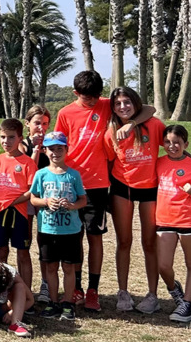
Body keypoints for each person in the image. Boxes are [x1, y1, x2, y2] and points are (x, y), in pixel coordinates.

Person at [54, 70, 154, 311]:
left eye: (97, 95)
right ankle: (76, 287)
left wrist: (130, 124)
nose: (93, 100)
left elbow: (149, 109)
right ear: (76, 93)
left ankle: (93, 290)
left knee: (95, 237)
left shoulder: (106, 105)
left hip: (98, 185)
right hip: (71, 184)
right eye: (88, 97)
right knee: (73, 238)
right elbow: (58, 144)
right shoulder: (65, 113)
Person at [104, 87, 165, 313]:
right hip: (123, 188)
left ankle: (152, 295)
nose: (122, 107)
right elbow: (110, 162)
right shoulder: (110, 131)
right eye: (118, 103)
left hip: (150, 188)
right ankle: (123, 292)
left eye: (127, 102)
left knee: (149, 243)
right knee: (124, 241)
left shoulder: (154, 125)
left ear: (135, 103)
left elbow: (171, 145)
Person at [29, 132, 88, 321]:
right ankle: (53, 302)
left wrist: (72, 206)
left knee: (69, 268)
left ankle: (68, 303)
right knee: (51, 267)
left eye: (59, 148)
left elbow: (83, 200)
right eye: (51, 149)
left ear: (66, 150)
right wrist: (46, 202)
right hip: (48, 229)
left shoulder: (73, 175)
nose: (56, 152)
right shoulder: (41, 174)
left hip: (70, 230)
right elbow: (33, 198)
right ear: (45, 151)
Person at [154, 125, 191, 322]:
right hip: (164, 220)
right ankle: (174, 290)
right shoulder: (158, 163)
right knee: (163, 265)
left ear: (186, 144)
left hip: (188, 221)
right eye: (167, 142)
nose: (172, 146)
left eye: (177, 142)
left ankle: (187, 304)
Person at [0, 118, 36, 290]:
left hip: (19, 213)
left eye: (10, 137)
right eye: (2, 137)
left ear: (20, 138)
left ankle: (26, 292)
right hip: (0, 212)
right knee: (1, 251)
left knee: (23, 253)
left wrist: (12, 202)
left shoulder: (28, 162)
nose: (6, 141)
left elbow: (32, 191)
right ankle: (0, 288)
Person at [20, 105, 52, 303]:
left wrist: (47, 150)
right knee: (26, 242)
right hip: (28, 197)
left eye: (45, 123)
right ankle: (24, 287)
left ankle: (46, 284)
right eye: (37, 123)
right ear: (28, 124)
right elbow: (28, 170)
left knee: (45, 241)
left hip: (48, 197)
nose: (41, 127)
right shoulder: (23, 144)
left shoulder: (52, 143)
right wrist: (37, 149)